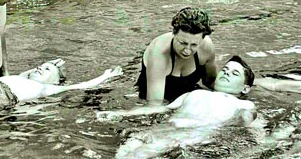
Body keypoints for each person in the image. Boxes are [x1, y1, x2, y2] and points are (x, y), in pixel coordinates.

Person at [99, 56, 256, 159]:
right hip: (163, 128)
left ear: (245, 88)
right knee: (123, 152)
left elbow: (248, 124)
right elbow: (160, 109)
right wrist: (119, 113)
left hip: (189, 135)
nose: (227, 73)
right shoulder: (195, 93)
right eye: (225, 70)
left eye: (235, 74)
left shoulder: (243, 104)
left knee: (136, 156)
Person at [136, 7, 217, 104]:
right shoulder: (159, 53)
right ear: (174, 33)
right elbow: (154, 105)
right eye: (183, 43)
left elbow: (211, 82)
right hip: (155, 99)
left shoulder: (206, 47)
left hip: (187, 96)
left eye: (194, 45)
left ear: (202, 39)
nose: (187, 50)